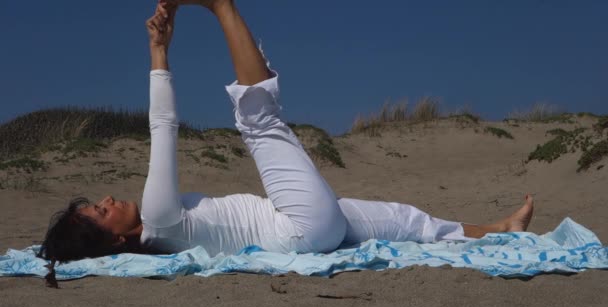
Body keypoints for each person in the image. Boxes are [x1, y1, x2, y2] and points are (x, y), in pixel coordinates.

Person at [39, 0, 533, 269]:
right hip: (297, 228)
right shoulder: (159, 215)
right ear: (121, 240)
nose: (107, 198)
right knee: (258, 120)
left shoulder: (157, 229)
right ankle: (221, 5)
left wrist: (161, 42)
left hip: (300, 226)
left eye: (97, 202)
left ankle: (497, 230)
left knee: (406, 221)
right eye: (101, 213)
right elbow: (162, 127)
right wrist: (159, 53)